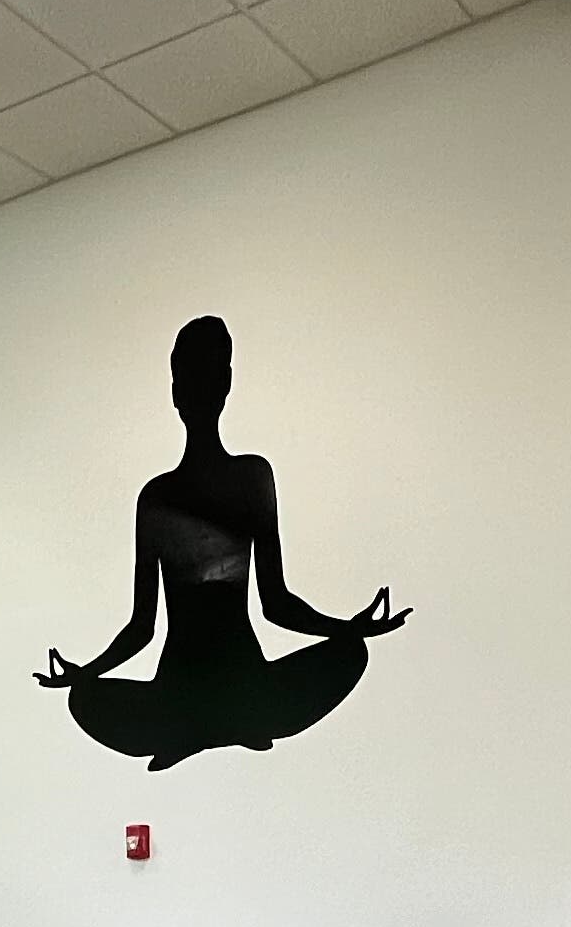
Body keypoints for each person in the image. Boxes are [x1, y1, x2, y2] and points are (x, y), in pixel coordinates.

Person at [36, 315, 409, 769]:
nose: (197, 390)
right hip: (201, 689)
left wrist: (348, 631)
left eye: (206, 375)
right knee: (83, 698)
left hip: (231, 684)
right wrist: (85, 675)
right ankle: (223, 720)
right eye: (191, 379)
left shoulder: (249, 477)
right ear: (178, 392)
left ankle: (202, 724)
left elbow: (275, 603)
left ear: (224, 384)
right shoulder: (159, 498)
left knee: (351, 652)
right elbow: (144, 627)